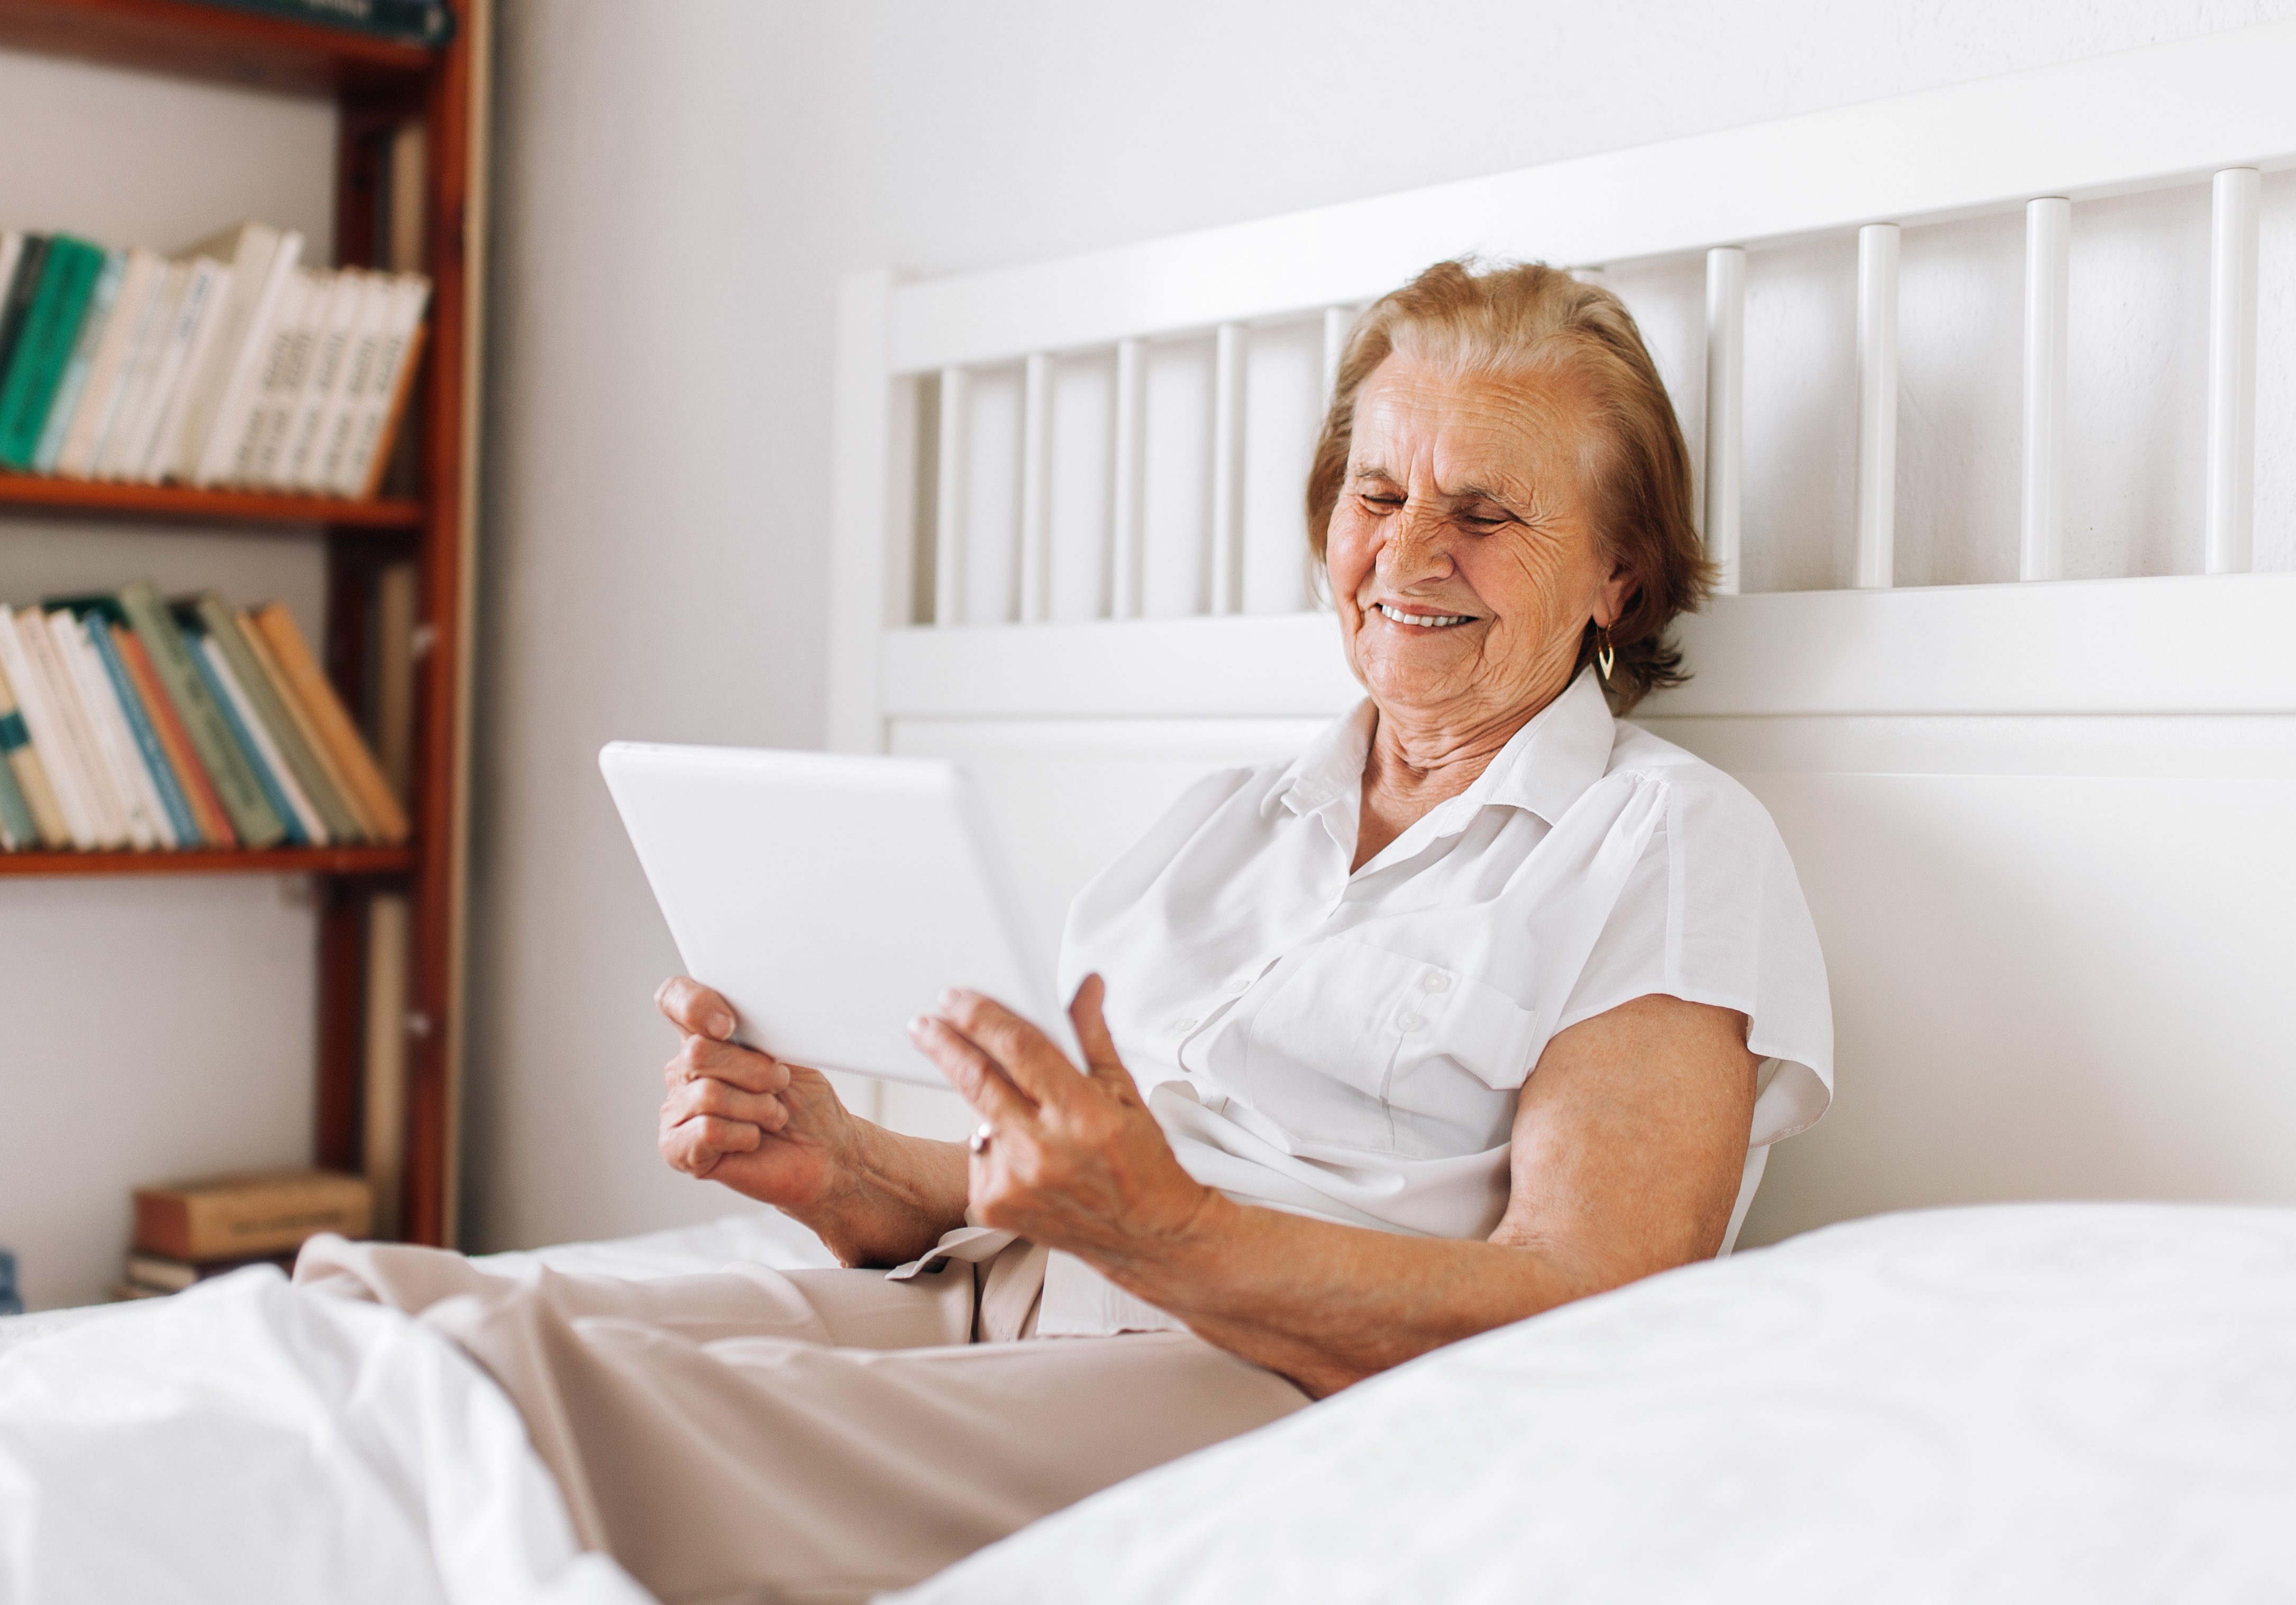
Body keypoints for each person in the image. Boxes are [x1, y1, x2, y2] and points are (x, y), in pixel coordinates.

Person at [300, 257, 1833, 1605]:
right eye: (1376, 495)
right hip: (1011, 1294)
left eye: (1484, 511)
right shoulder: (1228, 820)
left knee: (558, 1406)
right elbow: (1060, 1196)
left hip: (1276, 1383)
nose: (1408, 551)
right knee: (402, 1311)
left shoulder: (1667, 840)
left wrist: (1159, 1230)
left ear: (1617, 575)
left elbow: (1593, 1309)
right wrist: (850, 1172)